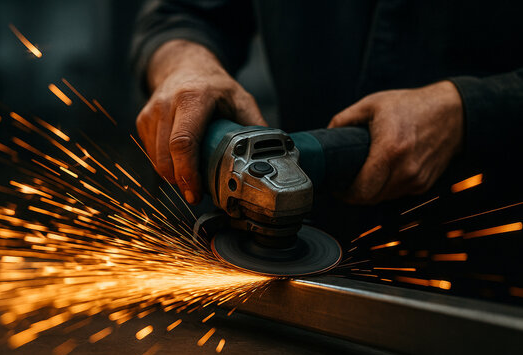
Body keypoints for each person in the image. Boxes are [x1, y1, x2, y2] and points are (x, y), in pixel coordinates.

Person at [131, 0, 523, 206]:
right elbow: (183, 11)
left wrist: (467, 109)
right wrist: (185, 65)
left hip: (487, 248)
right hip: (316, 232)